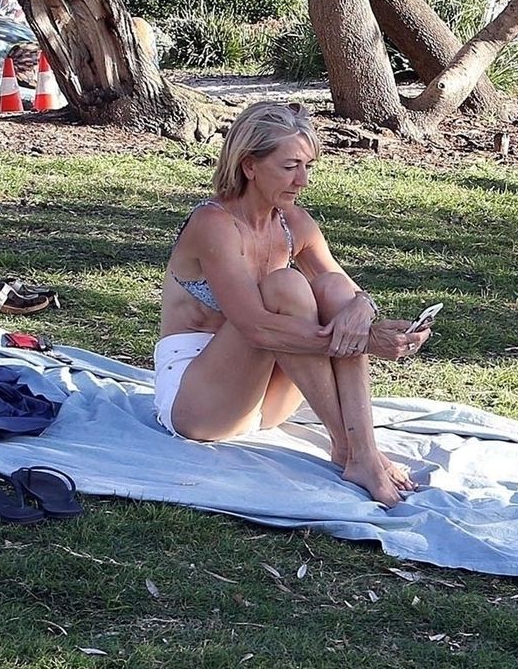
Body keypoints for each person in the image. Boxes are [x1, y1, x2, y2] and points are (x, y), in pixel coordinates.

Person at [154, 101, 432, 506]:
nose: (302, 180)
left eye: (308, 167)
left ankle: (354, 449)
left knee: (334, 290)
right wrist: (367, 341)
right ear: (249, 165)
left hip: (266, 401)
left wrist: (364, 309)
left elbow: (351, 294)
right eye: (290, 167)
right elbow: (256, 328)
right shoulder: (213, 224)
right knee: (286, 286)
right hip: (199, 405)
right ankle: (360, 452)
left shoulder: (294, 222)